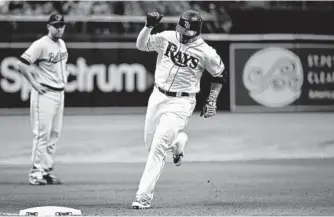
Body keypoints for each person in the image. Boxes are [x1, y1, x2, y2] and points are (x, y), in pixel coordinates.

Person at [132, 10, 227, 209]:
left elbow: (219, 75)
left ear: (196, 31)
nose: (182, 33)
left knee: (158, 148)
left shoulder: (206, 52)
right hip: (157, 95)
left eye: (187, 31)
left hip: (181, 102)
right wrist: (148, 26)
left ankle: (143, 196)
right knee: (150, 144)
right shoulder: (167, 37)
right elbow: (141, 45)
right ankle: (177, 142)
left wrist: (212, 100)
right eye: (180, 28)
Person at [17, 13, 68, 185]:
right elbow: (21, 64)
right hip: (45, 94)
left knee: (54, 134)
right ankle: (35, 172)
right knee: (42, 135)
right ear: (48, 26)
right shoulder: (40, 44)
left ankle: (46, 170)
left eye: (61, 25)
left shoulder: (61, 43)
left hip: (59, 93)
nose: (59, 28)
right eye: (55, 25)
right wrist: (33, 83)